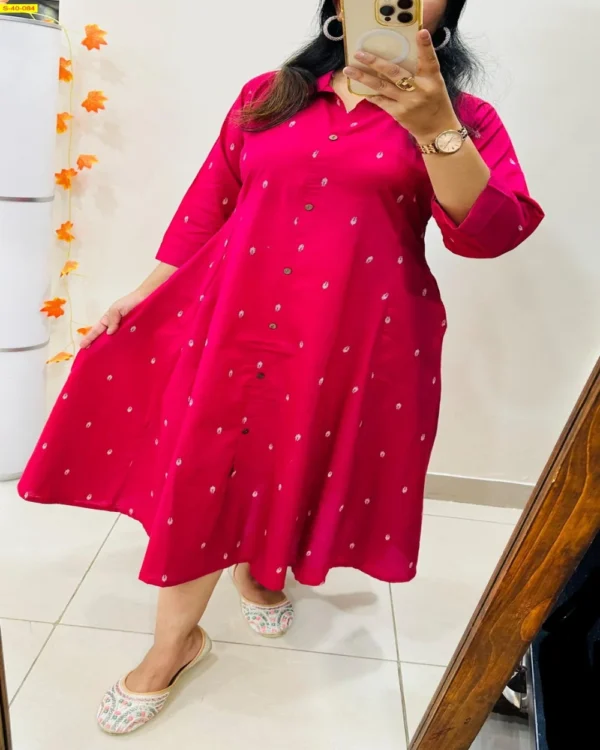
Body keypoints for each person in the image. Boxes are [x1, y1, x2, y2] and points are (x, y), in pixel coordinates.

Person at [18, 0, 544, 735]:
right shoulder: (270, 95)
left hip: (357, 334)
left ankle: (261, 571)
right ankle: (175, 644)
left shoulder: (466, 119)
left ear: (445, 12)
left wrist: (435, 129)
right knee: (208, 468)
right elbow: (210, 204)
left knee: (301, 459)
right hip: (236, 318)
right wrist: (143, 292)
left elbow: (489, 234)